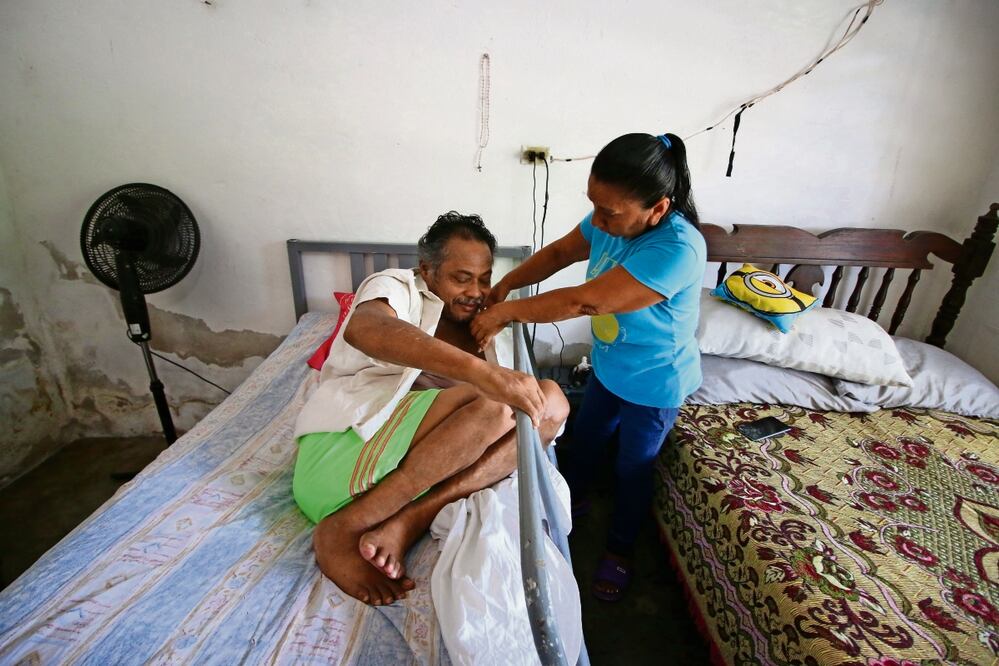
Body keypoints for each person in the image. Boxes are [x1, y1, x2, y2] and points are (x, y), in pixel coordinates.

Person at [471, 132, 707, 602]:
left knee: (632, 468)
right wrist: (507, 285)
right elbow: (559, 254)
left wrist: (508, 311)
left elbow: (585, 301)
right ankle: (566, 508)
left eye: (610, 213)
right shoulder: (610, 219)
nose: (597, 221)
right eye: (594, 206)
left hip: (654, 382)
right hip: (609, 367)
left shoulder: (677, 249)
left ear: (657, 209)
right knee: (584, 441)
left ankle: (619, 549)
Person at [292, 211, 570, 606]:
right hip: (346, 450)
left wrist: (501, 324)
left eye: (484, 278)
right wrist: (483, 374)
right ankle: (343, 528)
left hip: (426, 457)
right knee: (495, 402)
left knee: (553, 402)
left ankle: (411, 518)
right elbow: (366, 328)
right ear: (427, 270)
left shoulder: (485, 318)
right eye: (461, 278)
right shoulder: (395, 286)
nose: (475, 291)